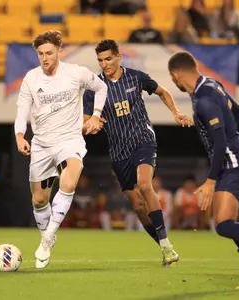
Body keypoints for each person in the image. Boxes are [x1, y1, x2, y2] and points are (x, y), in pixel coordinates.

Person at [167, 50, 239, 289]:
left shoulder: (203, 100)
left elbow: (219, 142)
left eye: (172, 78)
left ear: (176, 75)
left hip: (233, 164)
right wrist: (234, 137)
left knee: (223, 224)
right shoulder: (212, 84)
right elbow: (237, 112)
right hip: (235, 159)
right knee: (231, 224)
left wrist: (210, 180)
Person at [83, 39, 191, 266]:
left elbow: (163, 92)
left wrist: (176, 112)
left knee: (145, 185)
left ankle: (167, 246)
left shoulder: (135, 77)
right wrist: (91, 123)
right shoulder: (95, 88)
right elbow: (84, 119)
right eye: (100, 60)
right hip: (118, 151)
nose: (104, 64)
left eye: (108, 58)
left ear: (118, 56)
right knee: (139, 207)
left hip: (143, 140)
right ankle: (162, 247)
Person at [14, 30, 107, 269]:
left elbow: (101, 87)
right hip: (42, 145)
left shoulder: (76, 73)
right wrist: (20, 136)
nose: (45, 58)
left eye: (49, 53)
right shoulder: (31, 79)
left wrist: (96, 115)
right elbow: (22, 111)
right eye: (41, 54)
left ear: (59, 52)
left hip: (69, 141)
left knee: (68, 183)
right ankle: (47, 235)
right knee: (38, 201)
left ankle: (46, 240)